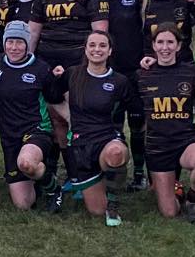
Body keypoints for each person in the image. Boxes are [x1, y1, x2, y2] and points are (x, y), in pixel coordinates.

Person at [52, 31, 136, 226]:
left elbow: (134, 108)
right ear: (86, 49)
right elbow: (52, 97)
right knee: (96, 210)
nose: (97, 49)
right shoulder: (72, 74)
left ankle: (113, 204)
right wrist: (69, 117)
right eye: (92, 45)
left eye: (102, 46)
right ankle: (101, 184)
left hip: (108, 138)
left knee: (116, 153)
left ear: (110, 51)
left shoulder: (119, 81)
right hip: (81, 145)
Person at [0, 21, 66, 211]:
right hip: (9, 135)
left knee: (26, 163)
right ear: (4, 42)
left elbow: (56, 100)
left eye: (20, 42)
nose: (14, 47)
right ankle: (39, 177)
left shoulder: (40, 68)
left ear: (27, 44)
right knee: (23, 204)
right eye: (10, 42)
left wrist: (73, 123)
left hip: (36, 130)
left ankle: (54, 189)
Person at [136, 27, 195, 222]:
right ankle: (176, 191)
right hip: (158, 147)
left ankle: (193, 200)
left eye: (170, 42)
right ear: (153, 46)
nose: (165, 47)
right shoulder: (142, 75)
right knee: (169, 212)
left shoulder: (192, 73)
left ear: (179, 46)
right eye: (160, 42)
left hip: (186, 140)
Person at [99, 0, 147, 191]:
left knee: (138, 123)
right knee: (113, 124)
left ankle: (139, 174)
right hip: (109, 72)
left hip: (135, 70)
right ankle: (114, 173)